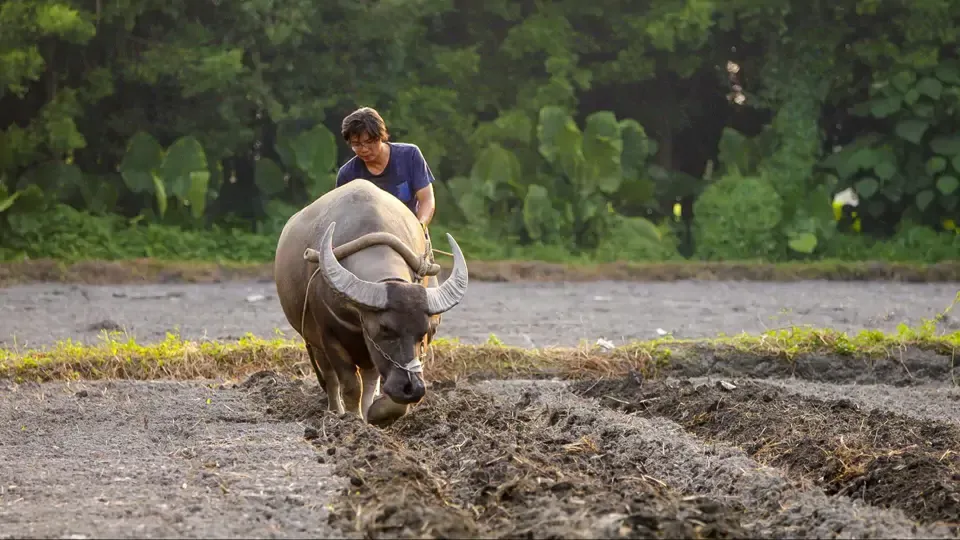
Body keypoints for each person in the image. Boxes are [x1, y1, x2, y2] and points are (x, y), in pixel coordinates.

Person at [335, 106, 438, 268]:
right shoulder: (347, 174)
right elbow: (343, 217)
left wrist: (420, 227)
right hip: (366, 244)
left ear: (381, 137)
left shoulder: (409, 156)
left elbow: (427, 200)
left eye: (369, 142)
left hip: (410, 237)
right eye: (356, 144)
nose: (364, 149)